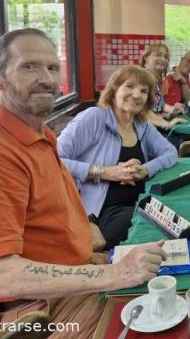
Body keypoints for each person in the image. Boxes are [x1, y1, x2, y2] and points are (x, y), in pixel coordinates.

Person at [0, 28, 167, 338]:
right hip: (39, 310)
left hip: (84, 263)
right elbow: (4, 276)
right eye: (29, 66)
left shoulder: (43, 134)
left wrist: (84, 231)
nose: (45, 78)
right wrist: (114, 272)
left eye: (52, 68)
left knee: (170, 278)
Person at [57, 65, 178, 249]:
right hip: (100, 214)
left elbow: (171, 153)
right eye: (129, 86)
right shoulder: (93, 117)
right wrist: (104, 172)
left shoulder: (142, 125)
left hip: (139, 204)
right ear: (114, 90)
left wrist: (144, 170)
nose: (137, 95)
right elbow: (54, 160)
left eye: (143, 91)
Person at [138, 43, 185, 129]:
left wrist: (172, 110)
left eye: (165, 57)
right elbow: (141, 111)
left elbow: (158, 105)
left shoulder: (154, 80)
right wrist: (166, 124)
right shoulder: (141, 78)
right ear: (146, 57)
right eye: (158, 55)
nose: (163, 59)